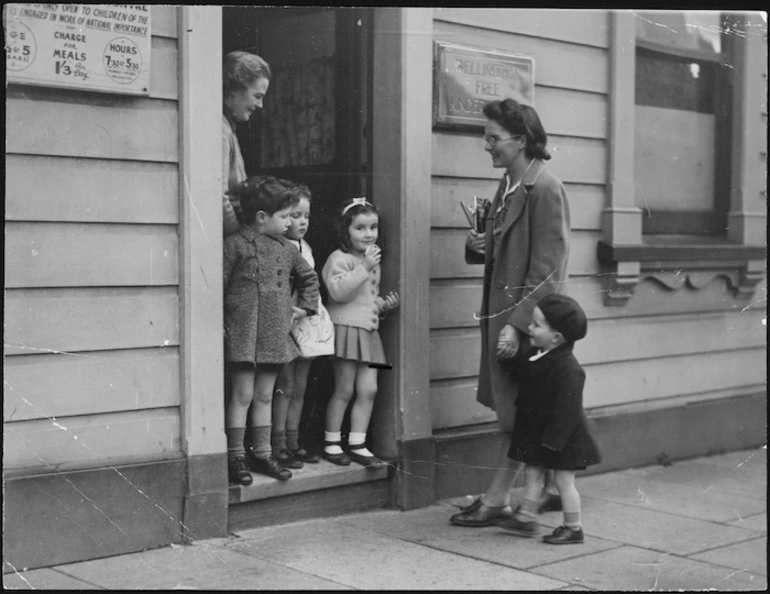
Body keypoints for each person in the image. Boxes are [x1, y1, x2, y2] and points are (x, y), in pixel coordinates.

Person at [450, 99, 571, 527]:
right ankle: (549, 490)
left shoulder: (545, 188)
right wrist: (477, 245)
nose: (487, 146)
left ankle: (498, 498)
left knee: (518, 416)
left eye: (493, 138)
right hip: (505, 319)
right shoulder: (509, 186)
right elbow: (503, 250)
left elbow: (548, 270)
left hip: (526, 326)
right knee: (525, 413)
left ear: (521, 140)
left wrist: (518, 327)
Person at [223, 176, 319, 484]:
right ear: (262, 217)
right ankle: (236, 456)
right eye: (285, 216)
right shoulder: (235, 245)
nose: (291, 222)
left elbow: (310, 279)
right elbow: (217, 286)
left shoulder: (288, 250)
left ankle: (263, 454)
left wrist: (303, 308)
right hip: (243, 334)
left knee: (265, 395)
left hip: (273, 335)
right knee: (242, 394)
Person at [498, 293, 601, 544]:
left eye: (536, 325)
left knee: (563, 481)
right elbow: (526, 374)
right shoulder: (540, 355)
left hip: (560, 438)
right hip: (538, 433)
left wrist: (554, 442)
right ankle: (526, 518)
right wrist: (509, 360)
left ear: (556, 337)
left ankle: (573, 527)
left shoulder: (569, 370)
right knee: (532, 473)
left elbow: (568, 411)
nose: (529, 329)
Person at [321, 198, 399, 468]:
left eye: (373, 227)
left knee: (369, 389)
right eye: (360, 228)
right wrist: (363, 268)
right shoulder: (339, 259)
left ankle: (357, 443)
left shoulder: (371, 260)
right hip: (346, 330)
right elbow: (339, 293)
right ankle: (332, 443)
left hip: (369, 333)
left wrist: (383, 306)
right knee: (344, 389)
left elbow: (366, 298)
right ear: (346, 231)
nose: (368, 234)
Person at [271, 183, 325, 468]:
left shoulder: (307, 247)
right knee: (285, 384)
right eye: (294, 214)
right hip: (285, 322)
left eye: (306, 215)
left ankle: (294, 441)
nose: (302, 221)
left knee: (300, 385)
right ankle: (277, 443)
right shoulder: (279, 248)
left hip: (305, 322)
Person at [222, 51, 271, 236]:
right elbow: (219, 198)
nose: (260, 105)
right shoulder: (220, 131)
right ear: (235, 90)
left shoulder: (228, 127)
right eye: (257, 96)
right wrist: (240, 239)